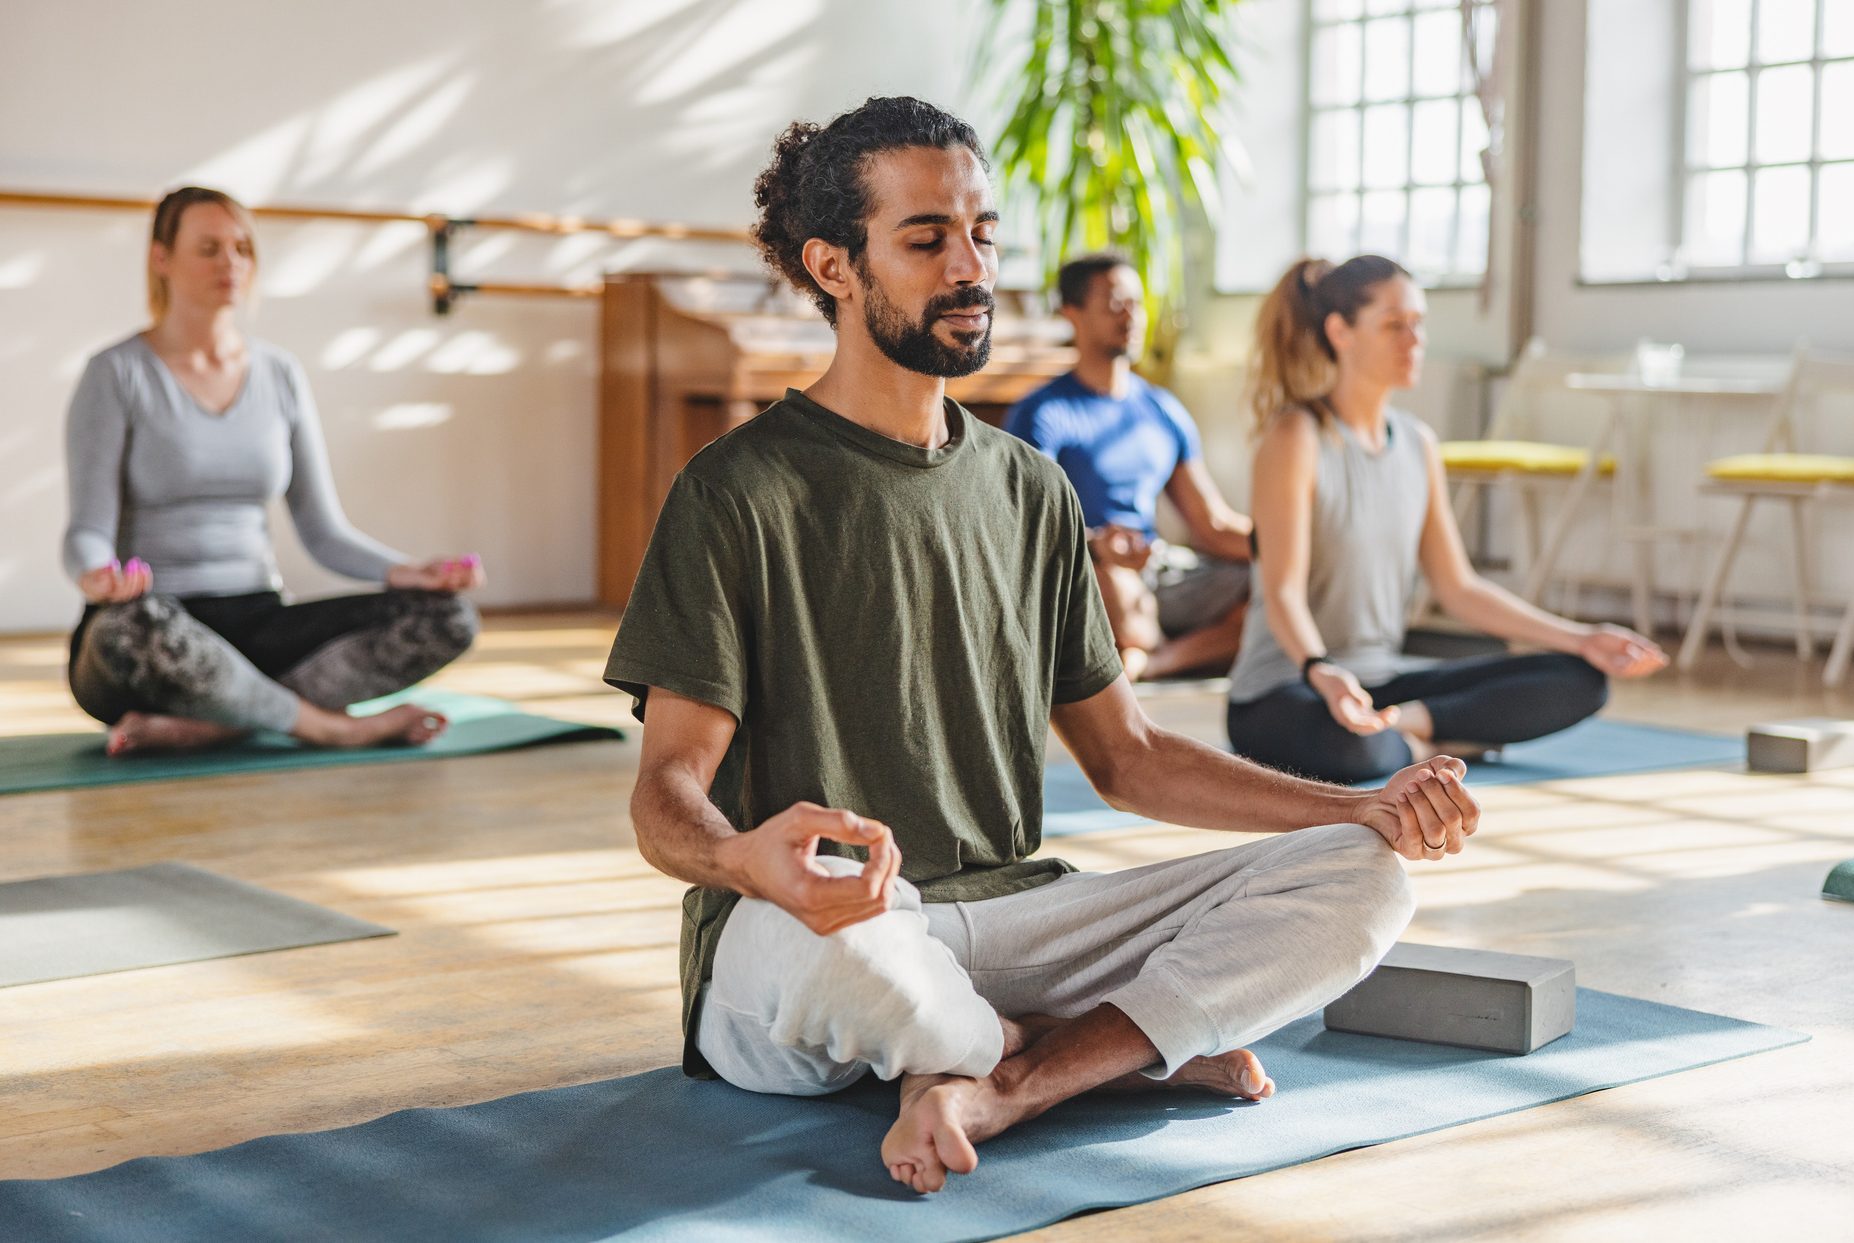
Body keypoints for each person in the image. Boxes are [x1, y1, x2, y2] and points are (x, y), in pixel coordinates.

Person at [607, 97, 1480, 1197]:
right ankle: (1101, 1046)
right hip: (818, 927)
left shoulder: (1029, 488)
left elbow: (1128, 760)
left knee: (1364, 880)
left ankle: (1002, 1078)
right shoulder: (735, 491)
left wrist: (1355, 808)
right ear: (833, 265)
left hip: (1015, 907)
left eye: (982, 234)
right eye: (927, 241)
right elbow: (663, 793)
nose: (970, 266)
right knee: (878, 969)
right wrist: (742, 859)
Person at [62, 186, 484, 756]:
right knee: (125, 627)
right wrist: (97, 575)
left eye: (241, 247)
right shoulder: (116, 374)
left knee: (449, 617)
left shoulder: (280, 374)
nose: (231, 262)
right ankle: (332, 728)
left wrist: (409, 572)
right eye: (209, 248)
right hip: (154, 631)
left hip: (258, 622)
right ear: (161, 259)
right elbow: (86, 529)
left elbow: (323, 532)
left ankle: (222, 722)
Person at [1226, 255, 1669, 785]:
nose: (1413, 341)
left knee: (1581, 679)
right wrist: (1322, 669)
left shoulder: (1417, 444)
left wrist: (1579, 637)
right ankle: (1430, 740)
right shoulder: (1296, 438)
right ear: (1340, 331)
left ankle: (1410, 731)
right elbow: (1282, 593)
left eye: (1418, 324)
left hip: (1380, 684)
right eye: (1394, 326)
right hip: (1289, 688)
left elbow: (1457, 587)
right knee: (1346, 746)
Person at [1004, 253, 1253, 681]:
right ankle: (1136, 648)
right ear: (1073, 313)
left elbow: (1211, 523)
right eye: (1115, 303)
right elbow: (1031, 520)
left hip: (1158, 567)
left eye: (1136, 303)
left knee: (1273, 589)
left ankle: (1151, 661)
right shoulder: (1042, 412)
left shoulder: (1163, 409)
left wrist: (1290, 549)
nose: (1131, 315)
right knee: (1114, 580)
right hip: (1093, 566)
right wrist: (1098, 544)